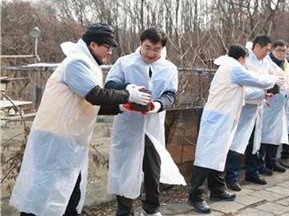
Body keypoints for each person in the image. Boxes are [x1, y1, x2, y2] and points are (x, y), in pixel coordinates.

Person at [10, 23, 151, 216]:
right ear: (93, 45)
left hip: (68, 140)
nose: (109, 52)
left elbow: (90, 103)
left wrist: (121, 105)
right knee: (44, 193)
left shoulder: (87, 64)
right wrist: (128, 95)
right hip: (55, 139)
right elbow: (95, 95)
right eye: (107, 47)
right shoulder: (76, 63)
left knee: (69, 193)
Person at [188, 44, 277, 214]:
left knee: (218, 155)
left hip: (222, 117)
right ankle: (195, 196)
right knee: (206, 156)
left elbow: (244, 93)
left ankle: (217, 190)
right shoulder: (234, 67)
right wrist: (274, 80)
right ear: (242, 57)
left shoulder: (229, 67)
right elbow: (255, 80)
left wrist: (262, 94)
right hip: (216, 118)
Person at [105, 28, 185, 216]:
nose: (150, 53)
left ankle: (152, 208)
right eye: (147, 47)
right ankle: (124, 210)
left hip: (153, 125)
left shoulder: (169, 68)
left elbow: (170, 95)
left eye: (156, 49)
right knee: (125, 167)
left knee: (152, 169)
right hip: (127, 123)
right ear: (140, 43)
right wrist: (128, 89)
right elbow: (110, 85)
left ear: (162, 48)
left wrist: (157, 105)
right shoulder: (125, 63)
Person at [224, 36, 283, 190]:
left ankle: (253, 171)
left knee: (254, 142)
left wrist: (274, 85)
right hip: (243, 109)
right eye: (266, 50)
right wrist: (264, 92)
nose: (267, 53)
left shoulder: (265, 62)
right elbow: (244, 88)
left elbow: (277, 76)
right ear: (257, 46)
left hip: (257, 108)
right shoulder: (244, 61)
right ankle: (232, 176)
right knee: (237, 142)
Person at [259, 40, 289, 172]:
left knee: (277, 134)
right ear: (272, 50)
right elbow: (262, 79)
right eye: (279, 50)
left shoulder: (286, 64)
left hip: (281, 105)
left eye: (284, 51)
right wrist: (271, 87)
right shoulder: (266, 63)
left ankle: (272, 161)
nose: (282, 53)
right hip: (268, 104)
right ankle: (261, 164)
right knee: (264, 134)